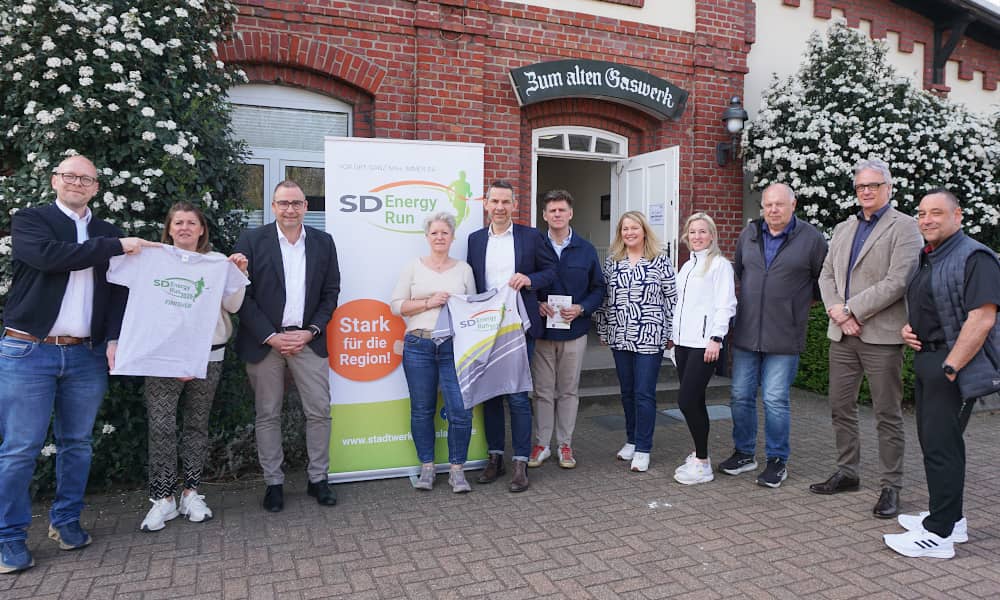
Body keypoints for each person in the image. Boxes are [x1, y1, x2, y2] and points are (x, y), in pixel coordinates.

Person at [0, 155, 149, 574]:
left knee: (77, 444)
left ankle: (65, 522)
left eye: (86, 178)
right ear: (54, 181)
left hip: (86, 354)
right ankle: (8, 538)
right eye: (70, 176)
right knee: (19, 450)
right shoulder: (31, 220)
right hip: (29, 350)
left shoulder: (106, 230)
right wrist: (117, 246)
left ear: (97, 187)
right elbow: (53, 257)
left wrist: (115, 337)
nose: (77, 183)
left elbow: (121, 289)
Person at [883, 189, 1000, 559]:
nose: (927, 219)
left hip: (951, 366)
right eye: (921, 213)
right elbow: (928, 305)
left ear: (958, 215)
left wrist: (951, 367)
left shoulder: (975, 257)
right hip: (930, 360)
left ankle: (939, 535)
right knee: (938, 443)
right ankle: (952, 519)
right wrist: (908, 329)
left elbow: (982, 317)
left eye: (936, 212)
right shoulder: (931, 256)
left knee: (941, 447)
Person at [123, 203, 250, 531]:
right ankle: (162, 498)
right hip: (164, 356)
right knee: (162, 426)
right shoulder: (151, 259)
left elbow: (233, 306)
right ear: (169, 228)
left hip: (209, 354)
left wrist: (239, 274)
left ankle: (192, 492)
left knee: (197, 425)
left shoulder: (217, 263)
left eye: (191, 223)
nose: (184, 228)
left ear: (201, 229)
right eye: (177, 222)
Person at [811, 159, 922, 519]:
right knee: (840, 407)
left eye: (874, 185)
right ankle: (847, 472)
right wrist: (837, 313)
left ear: (888, 187)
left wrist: (852, 311)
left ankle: (891, 485)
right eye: (861, 187)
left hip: (881, 337)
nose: (867, 191)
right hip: (842, 334)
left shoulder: (905, 227)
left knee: (886, 413)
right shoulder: (845, 227)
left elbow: (898, 280)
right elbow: (826, 274)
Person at [234, 180, 341, 512]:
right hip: (265, 342)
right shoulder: (252, 241)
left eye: (296, 203)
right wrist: (271, 335)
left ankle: (318, 479)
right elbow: (243, 295)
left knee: (319, 412)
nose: (290, 209)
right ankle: (274, 484)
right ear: (273, 206)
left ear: (306, 206)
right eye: (284, 203)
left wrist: (311, 331)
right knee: (268, 414)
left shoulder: (323, 242)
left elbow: (331, 292)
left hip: (308, 340)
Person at [720, 183, 827, 488]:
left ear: (794, 204)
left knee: (775, 398)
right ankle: (744, 453)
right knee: (740, 395)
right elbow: (740, 273)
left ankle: (777, 460)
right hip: (747, 330)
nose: (773, 210)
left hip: (785, 334)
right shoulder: (748, 234)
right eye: (768, 205)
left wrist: (793, 307)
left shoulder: (811, 239)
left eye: (779, 204)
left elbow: (823, 283)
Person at [466, 180, 557, 492]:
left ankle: (520, 462)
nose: (500, 208)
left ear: (514, 205)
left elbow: (551, 273)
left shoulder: (531, 237)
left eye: (506, 202)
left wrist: (530, 279)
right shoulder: (475, 240)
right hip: (485, 329)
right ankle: (495, 457)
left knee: (518, 396)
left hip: (519, 326)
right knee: (490, 394)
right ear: (486, 204)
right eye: (495, 202)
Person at [391, 212, 477, 493]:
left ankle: (457, 470)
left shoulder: (463, 269)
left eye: (445, 233)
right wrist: (429, 302)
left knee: (461, 411)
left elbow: (471, 310)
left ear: (452, 237)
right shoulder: (413, 267)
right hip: (418, 345)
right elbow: (396, 306)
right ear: (427, 237)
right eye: (434, 233)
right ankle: (426, 467)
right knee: (422, 410)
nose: (440, 237)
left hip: (454, 347)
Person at [528, 190, 605, 470]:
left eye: (562, 210)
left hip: (574, 332)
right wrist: (535, 303)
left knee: (568, 391)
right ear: (545, 215)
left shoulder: (585, 249)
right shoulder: (534, 246)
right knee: (543, 391)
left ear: (570, 213)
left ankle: (564, 445)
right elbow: (526, 282)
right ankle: (541, 444)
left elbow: (598, 288)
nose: (557, 214)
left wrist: (582, 308)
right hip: (543, 333)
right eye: (552, 211)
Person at [596, 210, 677, 473]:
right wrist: (603, 329)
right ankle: (631, 440)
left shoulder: (660, 260)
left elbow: (672, 299)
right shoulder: (613, 262)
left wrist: (671, 333)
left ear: (644, 231)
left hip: (650, 336)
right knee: (627, 392)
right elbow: (605, 299)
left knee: (644, 393)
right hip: (621, 336)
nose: (629, 233)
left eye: (634, 228)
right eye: (625, 229)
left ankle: (643, 448)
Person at [670, 213, 736, 485]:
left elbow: (727, 304)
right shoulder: (686, 266)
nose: (697, 236)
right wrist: (673, 341)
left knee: (686, 400)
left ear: (712, 235)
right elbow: (680, 307)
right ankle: (699, 454)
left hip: (704, 345)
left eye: (703, 232)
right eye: (693, 232)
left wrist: (716, 338)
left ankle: (702, 463)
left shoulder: (720, 265)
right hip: (683, 344)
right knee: (695, 402)